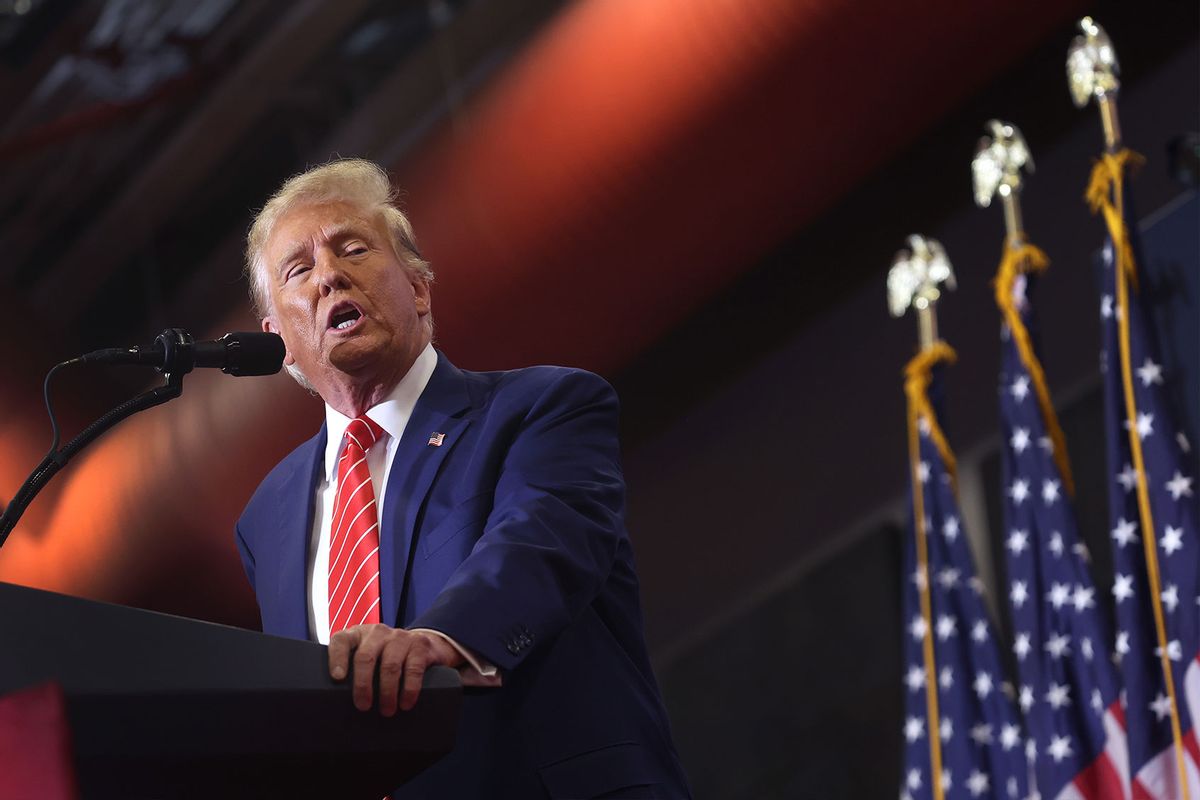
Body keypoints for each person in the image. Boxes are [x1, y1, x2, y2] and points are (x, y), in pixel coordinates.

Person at [234, 158, 690, 799]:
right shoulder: (267, 520)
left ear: (418, 289)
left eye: (354, 249)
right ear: (278, 337)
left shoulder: (542, 408)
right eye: (299, 270)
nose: (330, 275)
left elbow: (540, 542)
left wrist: (439, 640)